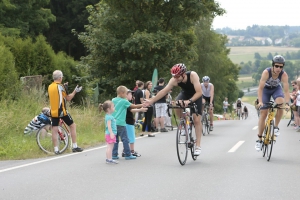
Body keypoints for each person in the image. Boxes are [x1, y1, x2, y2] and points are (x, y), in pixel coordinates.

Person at [143, 63, 203, 156]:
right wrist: (151, 101)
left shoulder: (192, 75)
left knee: (196, 119)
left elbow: (199, 92)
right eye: (174, 76)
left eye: (177, 76)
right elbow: (163, 91)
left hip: (196, 95)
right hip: (185, 93)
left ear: (183, 74)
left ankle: (198, 146)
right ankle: (184, 124)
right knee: (177, 103)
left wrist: (188, 101)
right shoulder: (174, 80)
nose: (176, 78)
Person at [255, 55, 290, 151]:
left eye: (281, 66)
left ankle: (276, 127)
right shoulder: (266, 72)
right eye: (277, 66)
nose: (279, 68)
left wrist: (287, 104)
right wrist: (261, 102)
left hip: (276, 89)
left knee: (280, 102)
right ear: (273, 65)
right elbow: (260, 88)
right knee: (263, 113)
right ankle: (259, 138)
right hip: (265, 90)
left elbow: (286, 91)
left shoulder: (284, 75)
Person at [48, 70, 83, 154]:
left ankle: (56, 149)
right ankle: (75, 146)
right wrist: (75, 91)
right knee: (72, 125)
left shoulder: (50, 86)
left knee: (54, 129)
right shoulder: (60, 86)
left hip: (53, 111)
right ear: (60, 78)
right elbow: (68, 98)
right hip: (61, 111)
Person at [112, 85, 145, 160]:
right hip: (121, 123)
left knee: (115, 140)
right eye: (126, 93)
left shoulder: (113, 100)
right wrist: (142, 105)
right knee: (125, 139)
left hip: (113, 122)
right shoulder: (124, 101)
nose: (126, 95)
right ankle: (127, 154)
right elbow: (133, 106)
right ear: (121, 93)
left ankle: (114, 154)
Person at [122, 90, 147, 157]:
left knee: (127, 137)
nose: (132, 96)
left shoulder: (123, 102)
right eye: (130, 94)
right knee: (131, 137)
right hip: (128, 122)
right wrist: (140, 109)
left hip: (125, 121)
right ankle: (131, 151)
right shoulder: (126, 102)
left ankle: (125, 150)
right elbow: (131, 110)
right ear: (126, 95)